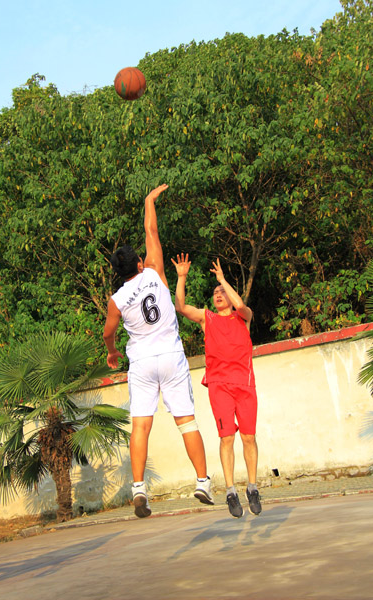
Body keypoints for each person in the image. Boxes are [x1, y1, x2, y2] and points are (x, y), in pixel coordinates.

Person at [103, 185, 213, 518]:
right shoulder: (154, 271)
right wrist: (149, 201)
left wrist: (112, 352)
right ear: (139, 263)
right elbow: (151, 230)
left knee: (141, 426)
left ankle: (139, 489)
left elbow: (108, 332)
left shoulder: (116, 300)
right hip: (170, 356)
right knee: (186, 421)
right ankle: (203, 482)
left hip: (141, 361)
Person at [172, 253, 262, 518]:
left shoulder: (243, 317)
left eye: (222, 292)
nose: (218, 294)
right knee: (227, 437)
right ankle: (231, 491)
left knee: (249, 437)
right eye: (215, 292)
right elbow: (181, 307)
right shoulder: (207, 318)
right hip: (220, 386)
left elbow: (241, 305)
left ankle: (253, 488)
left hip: (245, 385)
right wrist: (181, 277)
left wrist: (222, 279)